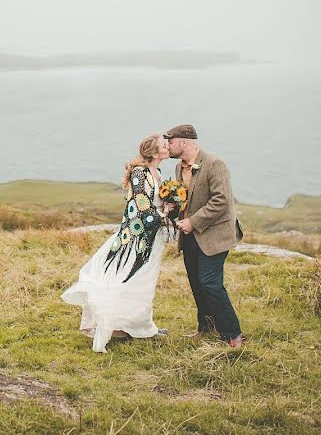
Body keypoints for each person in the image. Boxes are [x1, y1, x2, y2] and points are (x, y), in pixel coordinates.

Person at [61, 133, 177, 353]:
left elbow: (157, 204)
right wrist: (164, 215)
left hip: (153, 239)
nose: (168, 147)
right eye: (164, 145)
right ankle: (115, 323)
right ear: (154, 152)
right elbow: (142, 207)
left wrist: (170, 209)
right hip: (135, 238)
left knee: (145, 281)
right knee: (128, 279)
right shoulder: (139, 173)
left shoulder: (159, 173)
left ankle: (140, 326)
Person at [164, 124, 245, 348]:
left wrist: (193, 221)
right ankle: (207, 328)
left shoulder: (215, 164)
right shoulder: (179, 169)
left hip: (216, 234)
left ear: (184, 142)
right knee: (197, 283)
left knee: (211, 284)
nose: (166, 147)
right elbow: (184, 199)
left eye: (170, 142)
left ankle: (233, 335)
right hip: (190, 235)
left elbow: (221, 201)